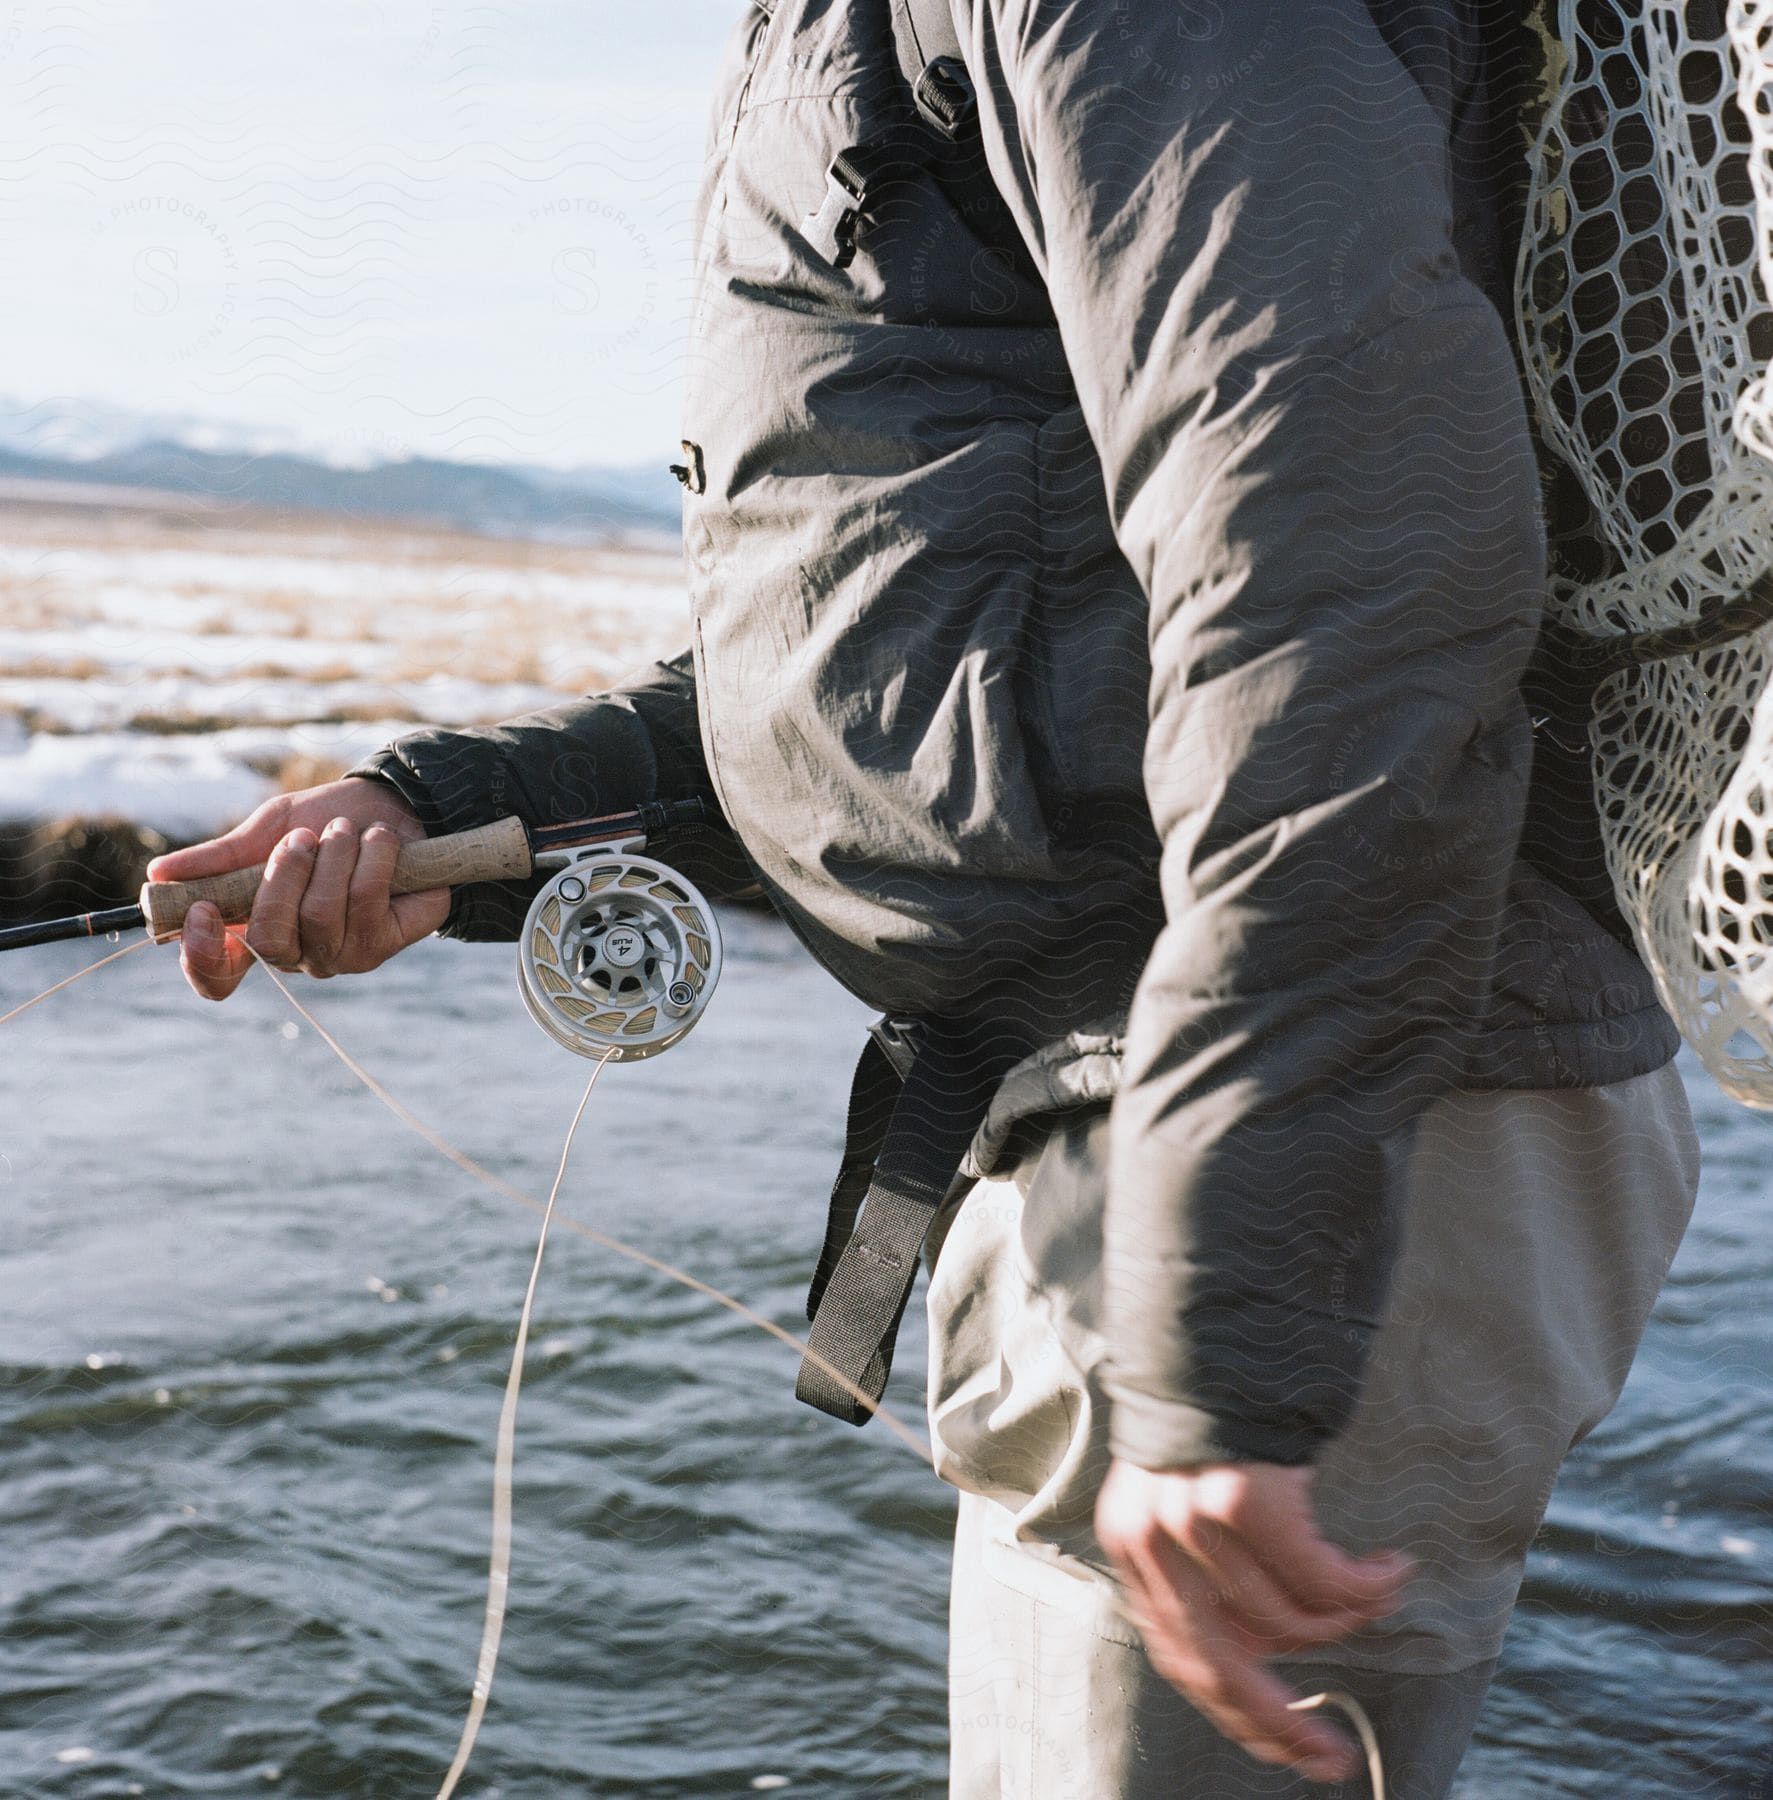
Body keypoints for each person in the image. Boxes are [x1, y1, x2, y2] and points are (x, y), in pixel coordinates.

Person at [149, 3, 1701, 1794]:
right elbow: (937, 650)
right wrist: (448, 808)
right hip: (1215, 1123)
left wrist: (1227, 1345)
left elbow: (1341, 583)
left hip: (1289, 1140)